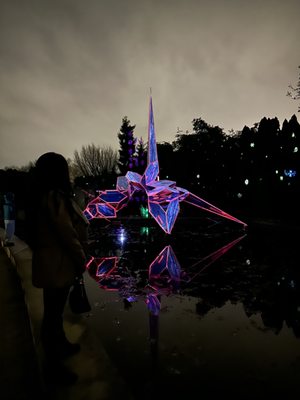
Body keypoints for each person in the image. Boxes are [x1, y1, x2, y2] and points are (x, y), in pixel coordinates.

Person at [26, 152, 89, 384]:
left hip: (53, 263)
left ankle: (60, 345)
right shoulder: (54, 198)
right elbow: (67, 234)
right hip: (58, 265)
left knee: (55, 311)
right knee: (52, 315)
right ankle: (53, 366)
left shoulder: (44, 197)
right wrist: (81, 259)